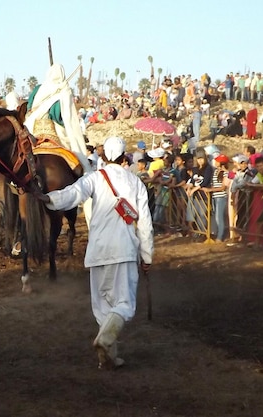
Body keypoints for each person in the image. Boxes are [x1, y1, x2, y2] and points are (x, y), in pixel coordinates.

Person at [32, 136, 153, 369]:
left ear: (105, 157)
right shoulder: (136, 183)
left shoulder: (94, 178)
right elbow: (145, 224)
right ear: (124, 156)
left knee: (102, 308)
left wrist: (47, 198)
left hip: (97, 251)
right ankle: (106, 340)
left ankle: (106, 358)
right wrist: (147, 256)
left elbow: (71, 195)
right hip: (125, 250)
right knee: (124, 304)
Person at [24, 63, 90, 173]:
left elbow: (29, 107)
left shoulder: (38, 89)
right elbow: (64, 117)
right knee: (77, 155)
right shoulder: (64, 90)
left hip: (33, 129)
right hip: (57, 133)